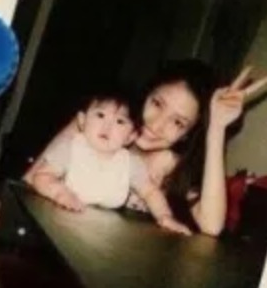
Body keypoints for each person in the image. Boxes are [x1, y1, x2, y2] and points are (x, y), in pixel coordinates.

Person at [0, 59, 267, 288]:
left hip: (116, 282)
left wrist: (217, 126)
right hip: (50, 257)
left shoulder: (174, 166)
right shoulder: (93, 128)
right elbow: (20, 189)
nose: (157, 124)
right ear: (146, 94)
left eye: (178, 122)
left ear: (187, 133)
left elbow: (211, 226)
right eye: (157, 104)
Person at [27, 85, 190, 234]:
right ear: (82, 120)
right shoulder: (71, 148)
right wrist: (59, 193)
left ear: (131, 136)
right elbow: (41, 176)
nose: (107, 126)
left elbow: (150, 192)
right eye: (100, 115)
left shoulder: (130, 163)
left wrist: (165, 216)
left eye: (120, 121)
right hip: (58, 223)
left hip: (104, 233)